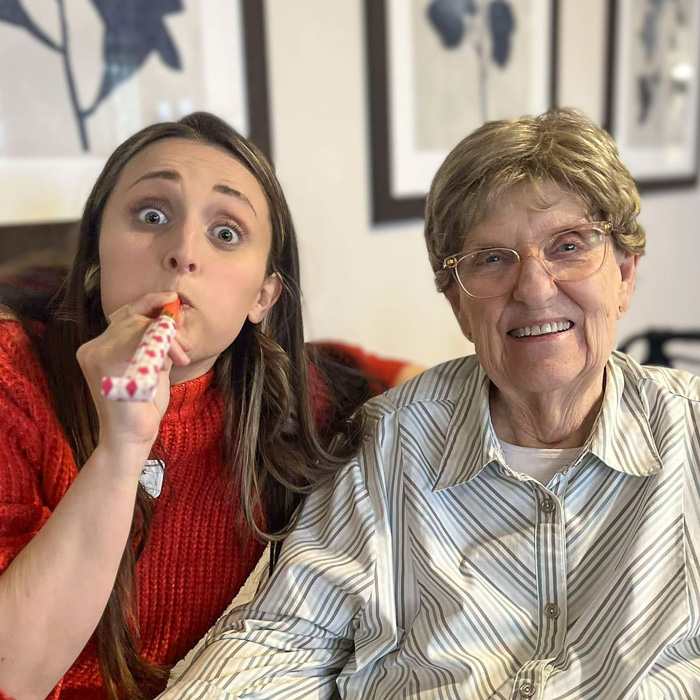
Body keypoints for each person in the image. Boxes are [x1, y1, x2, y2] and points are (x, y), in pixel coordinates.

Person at [159, 107, 700, 700]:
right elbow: (286, 638)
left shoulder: (689, 431)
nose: (535, 288)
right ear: (457, 303)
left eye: (569, 246)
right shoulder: (388, 444)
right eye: (492, 259)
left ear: (623, 274)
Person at [0, 113, 418, 700]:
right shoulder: (12, 375)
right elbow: (13, 674)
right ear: (95, 257)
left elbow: (365, 372)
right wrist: (121, 447)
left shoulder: (291, 400)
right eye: (152, 216)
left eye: (226, 233)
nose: (182, 252)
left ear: (262, 296)